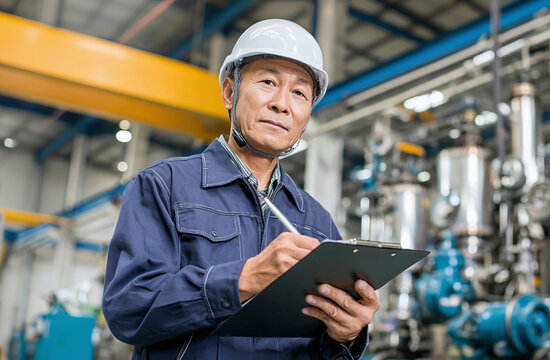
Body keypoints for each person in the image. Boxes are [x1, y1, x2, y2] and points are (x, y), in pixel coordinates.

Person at [102, 19, 379, 359]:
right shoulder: (164, 186)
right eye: (267, 82)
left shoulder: (316, 220)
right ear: (230, 92)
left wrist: (346, 335)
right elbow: (128, 310)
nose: (282, 104)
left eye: (299, 92)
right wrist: (242, 280)